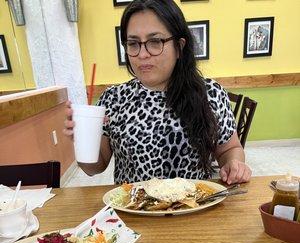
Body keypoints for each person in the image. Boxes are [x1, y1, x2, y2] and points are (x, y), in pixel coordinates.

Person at [64, 0, 251, 185]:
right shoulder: (113, 99)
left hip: (193, 208)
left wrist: (234, 163)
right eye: (133, 43)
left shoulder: (210, 93)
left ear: (180, 46)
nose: (143, 54)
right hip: (133, 211)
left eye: (155, 41)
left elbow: (229, 148)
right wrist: (80, 141)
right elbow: (95, 167)